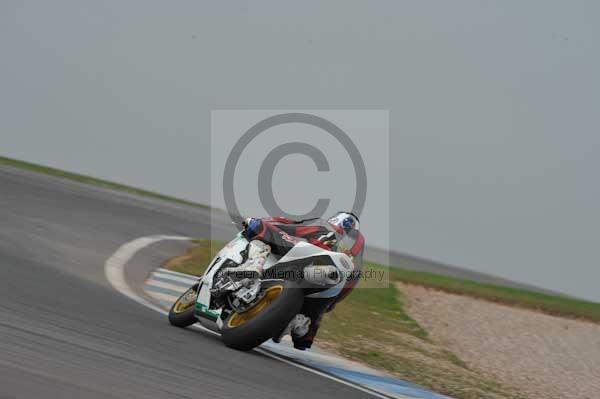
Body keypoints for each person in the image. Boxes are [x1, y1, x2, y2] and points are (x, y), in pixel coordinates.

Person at [229, 211, 364, 350]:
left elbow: (290, 225)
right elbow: (348, 286)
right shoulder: (355, 256)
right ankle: (296, 322)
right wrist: (329, 306)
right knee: (304, 336)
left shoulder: (324, 225)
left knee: (260, 227)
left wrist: (255, 221)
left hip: (306, 260)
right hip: (329, 282)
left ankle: (254, 267)